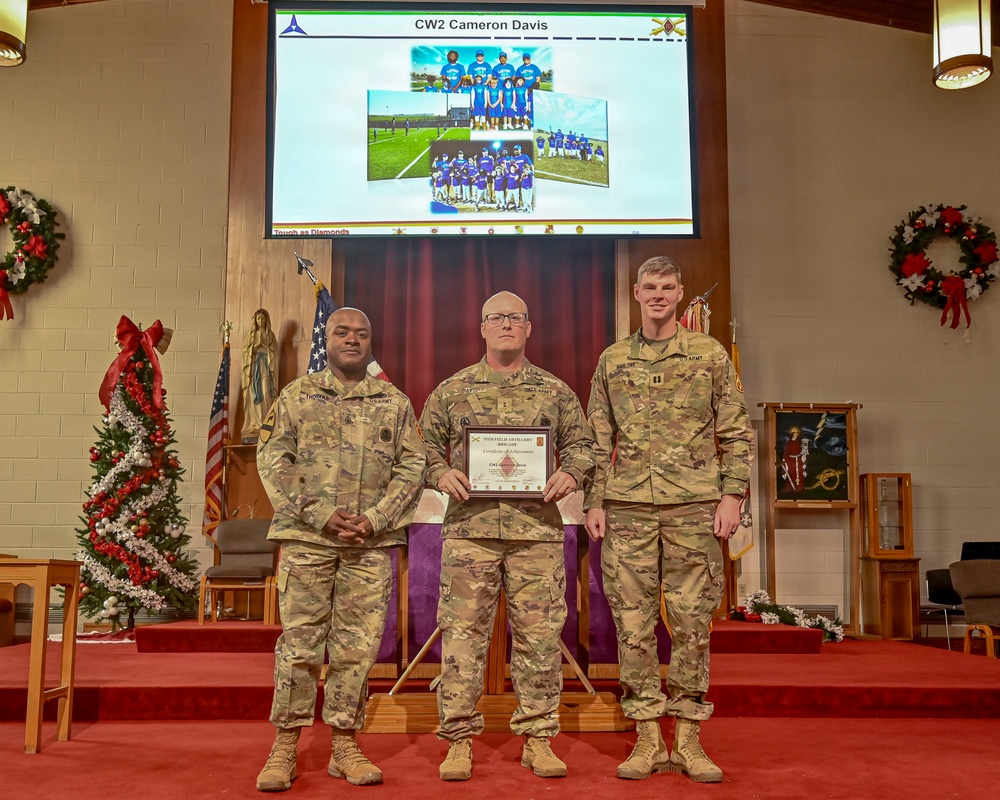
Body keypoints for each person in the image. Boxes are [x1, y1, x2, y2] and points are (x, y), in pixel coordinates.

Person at [584, 256, 754, 784]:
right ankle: (647, 739)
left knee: (692, 627)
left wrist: (733, 497)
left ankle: (689, 740)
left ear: (680, 293)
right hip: (629, 510)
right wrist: (595, 500)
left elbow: (736, 431)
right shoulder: (613, 360)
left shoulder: (709, 355)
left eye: (668, 286)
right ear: (636, 293)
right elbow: (596, 439)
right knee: (633, 629)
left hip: (694, 509)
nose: (659, 294)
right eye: (650, 286)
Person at [420, 291, 595, 783]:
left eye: (515, 318)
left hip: (535, 533)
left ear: (528, 328)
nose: (506, 325)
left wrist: (573, 473)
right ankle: (457, 740)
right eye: (496, 318)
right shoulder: (453, 390)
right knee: (461, 639)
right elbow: (422, 447)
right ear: (481, 328)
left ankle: (538, 739)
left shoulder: (555, 391)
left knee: (540, 640)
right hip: (470, 535)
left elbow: (584, 446)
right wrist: (438, 473)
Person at [254, 308, 426, 793]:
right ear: (326, 340)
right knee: (301, 644)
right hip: (309, 540)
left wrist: (376, 518)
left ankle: (345, 745)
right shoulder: (296, 396)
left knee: (357, 649)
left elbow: (413, 467)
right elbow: (272, 458)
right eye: (342, 332)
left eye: (361, 334)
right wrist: (317, 512)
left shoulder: (394, 402)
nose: (352, 340)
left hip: (369, 544)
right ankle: (285, 745)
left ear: (372, 341)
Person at [240, 308, 278, 444]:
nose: (260, 321)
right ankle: (254, 424)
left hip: (266, 368)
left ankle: (266, 422)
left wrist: (266, 347)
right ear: (255, 321)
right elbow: (245, 353)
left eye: (263, 319)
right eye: (258, 319)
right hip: (254, 367)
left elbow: (275, 354)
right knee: (254, 393)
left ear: (266, 320)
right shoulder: (250, 335)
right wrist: (255, 347)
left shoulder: (270, 335)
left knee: (266, 391)